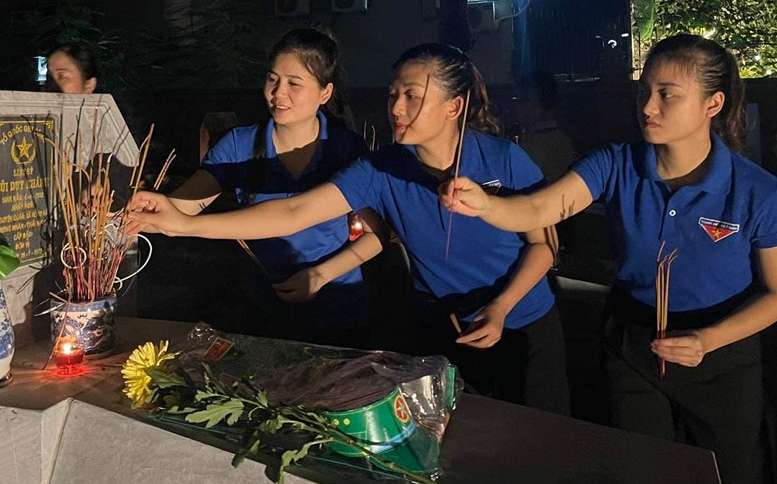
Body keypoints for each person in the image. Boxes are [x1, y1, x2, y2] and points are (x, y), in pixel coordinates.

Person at [438, 34, 777, 484]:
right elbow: (544, 208)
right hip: (633, 343)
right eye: (644, 91)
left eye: (667, 94)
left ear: (713, 104)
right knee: (643, 483)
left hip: (722, 353)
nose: (648, 106)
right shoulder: (616, 163)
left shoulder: (759, 192)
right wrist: (485, 204)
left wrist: (708, 340)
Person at [128, 43, 570, 415]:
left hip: (523, 323)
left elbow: (544, 244)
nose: (396, 108)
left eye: (412, 96)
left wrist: (502, 307)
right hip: (442, 327)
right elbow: (295, 211)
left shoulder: (503, 160)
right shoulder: (380, 169)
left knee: (540, 439)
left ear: (454, 106)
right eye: (393, 94)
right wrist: (183, 223)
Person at [162, 27, 383, 348]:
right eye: (272, 79)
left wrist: (320, 276)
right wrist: (127, 207)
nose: (278, 93)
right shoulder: (239, 145)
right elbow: (179, 209)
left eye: (294, 83)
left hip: (337, 313)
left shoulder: (346, 148)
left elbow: (377, 235)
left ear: (325, 93)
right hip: (261, 315)